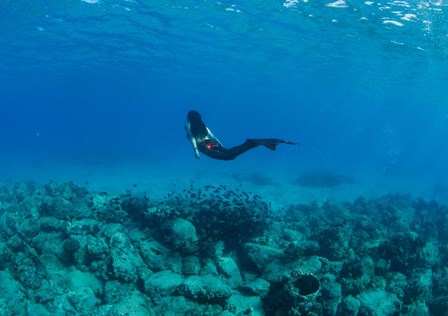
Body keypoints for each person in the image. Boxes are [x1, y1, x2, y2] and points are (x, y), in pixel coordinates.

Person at [185, 110, 298, 160]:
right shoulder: (202, 124)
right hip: (210, 143)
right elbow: (213, 136)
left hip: (202, 146)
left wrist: (195, 151)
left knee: (229, 157)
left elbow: (192, 139)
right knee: (229, 154)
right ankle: (254, 142)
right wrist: (221, 146)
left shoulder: (188, 125)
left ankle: (252, 142)